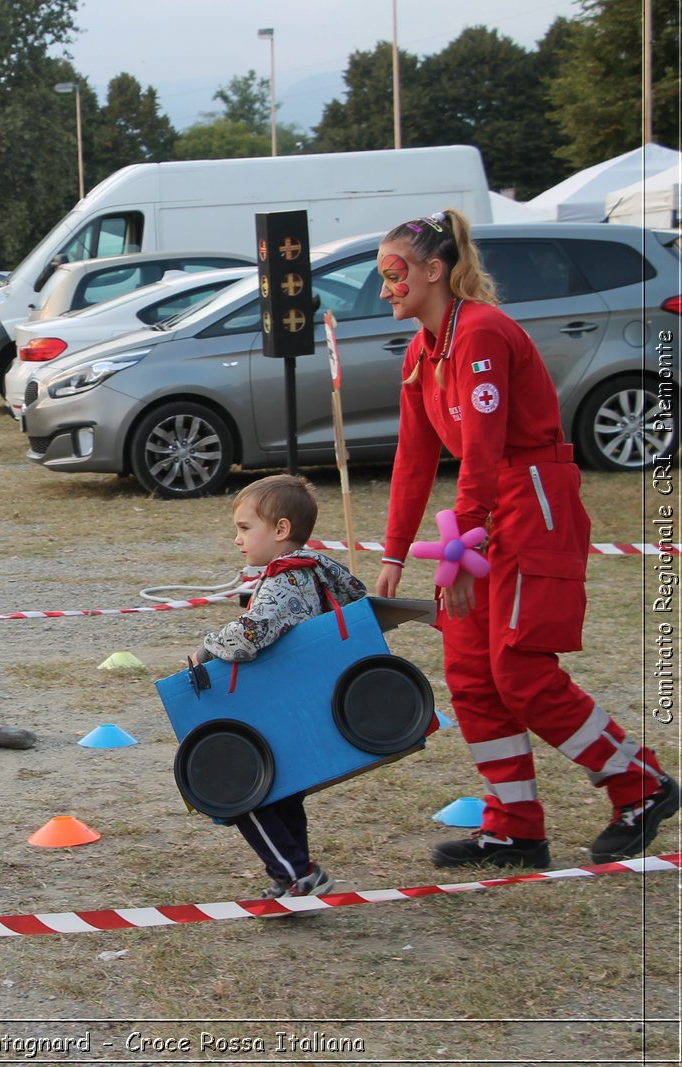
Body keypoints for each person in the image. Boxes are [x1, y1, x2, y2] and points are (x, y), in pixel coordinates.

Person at [374, 208, 678, 869]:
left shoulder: (481, 334)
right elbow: (414, 461)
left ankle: (641, 783)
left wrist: (464, 546)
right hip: (487, 515)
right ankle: (514, 828)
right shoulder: (424, 353)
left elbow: (482, 452)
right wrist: (395, 553)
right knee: (472, 674)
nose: (384, 287)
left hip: (531, 505)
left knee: (521, 671)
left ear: (433, 271)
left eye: (393, 273)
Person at [193, 474, 367, 900]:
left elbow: (253, 634)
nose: (237, 539)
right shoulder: (315, 571)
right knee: (281, 792)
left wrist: (206, 649)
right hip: (312, 701)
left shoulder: (285, 580)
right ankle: (290, 871)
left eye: (244, 528)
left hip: (286, 708)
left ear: (281, 530)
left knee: (241, 791)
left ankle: (297, 874)